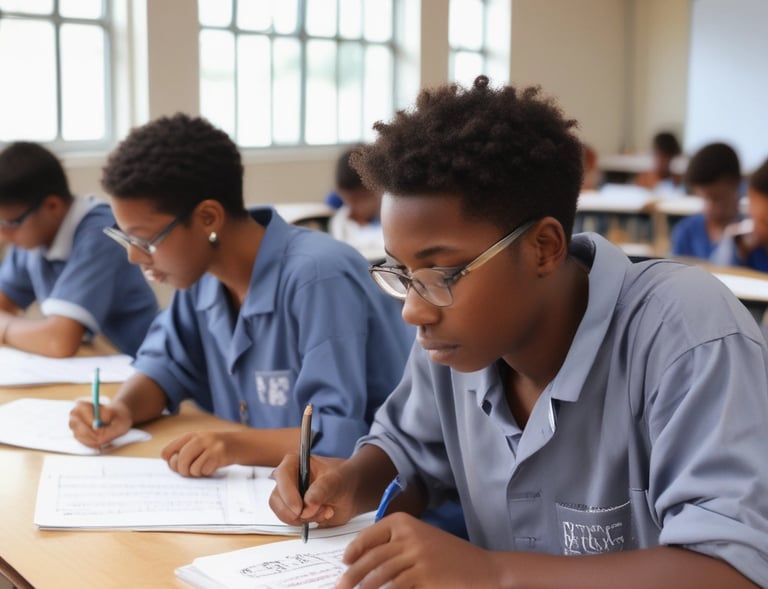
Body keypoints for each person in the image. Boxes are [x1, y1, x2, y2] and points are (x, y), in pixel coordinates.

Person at [269, 76, 768, 588]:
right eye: (403, 272)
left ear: (543, 248)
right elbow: (410, 448)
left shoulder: (686, 332)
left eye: (442, 273)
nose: (413, 311)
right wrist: (350, 481)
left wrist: (492, 572)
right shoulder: (455, 337)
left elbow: (733, 570)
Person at [68, 113, 414, 474]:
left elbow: (337, 436)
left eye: (145, 240)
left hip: (373, 491)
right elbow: (164, 366)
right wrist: (121, 409)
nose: (134, 256)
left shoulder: (318, 276)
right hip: (268, 487)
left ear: (208, 218)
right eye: (125, 238)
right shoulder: (201, 277)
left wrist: (232, 446)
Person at [0, 141, 158, 357]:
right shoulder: (32, 237)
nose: (3, 235)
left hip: (136, 361)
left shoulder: (101, 233)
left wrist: (4, 327)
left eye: (9, 223)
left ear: (52, 206)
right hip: (90, 359)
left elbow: (58, 341)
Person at [670, 142, 743, 259]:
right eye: (703, 198)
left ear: (736, 185)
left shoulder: (753, 237)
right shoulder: (686, 232)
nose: (708, 207)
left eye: (716, 198)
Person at [710, 157, 768, 272]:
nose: (757, 227)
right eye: (753, 217)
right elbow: (717, 274)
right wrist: (734, 248)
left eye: (764, 222)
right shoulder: (745, 245)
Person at [328, 145, 386, 261]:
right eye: (351, 201)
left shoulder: (392, 218)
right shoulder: (342, 221)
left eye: (364, 198)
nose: (357, 207)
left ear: (381, 189)